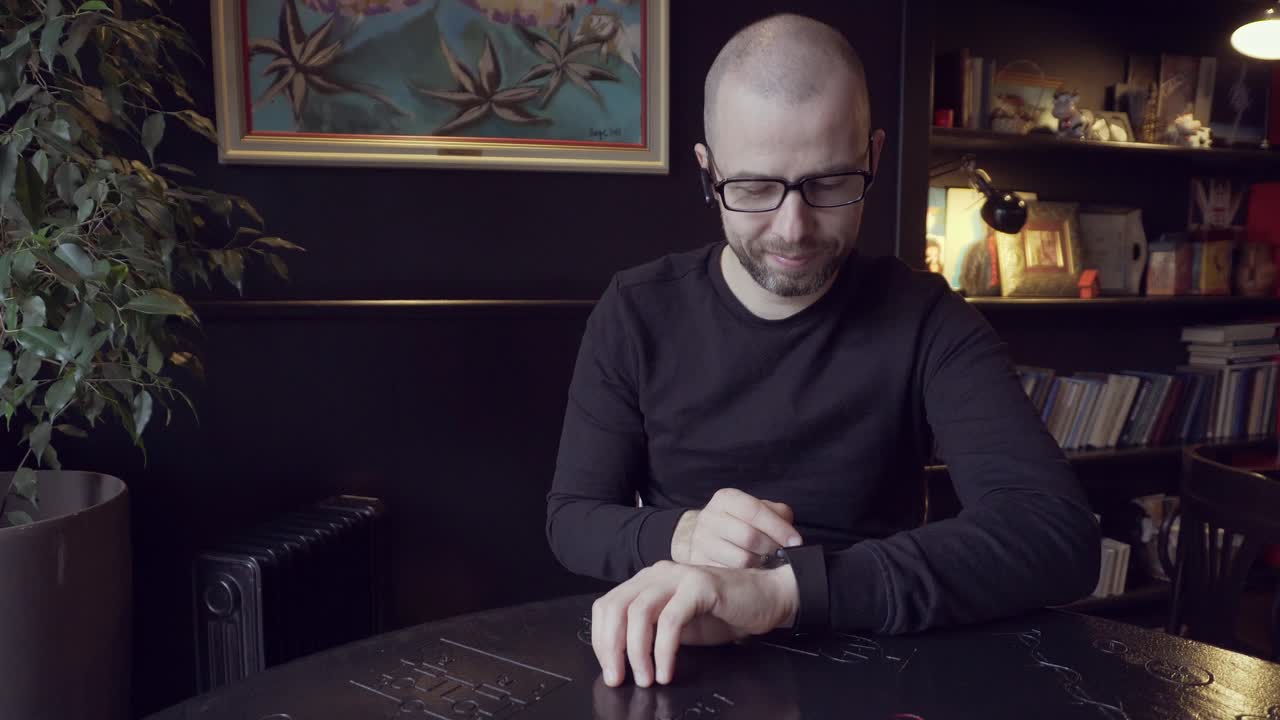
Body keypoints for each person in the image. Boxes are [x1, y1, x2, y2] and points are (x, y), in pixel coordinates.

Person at [545, 13, 1099, 691]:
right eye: (752, 188)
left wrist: (786, 594)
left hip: (875, 661)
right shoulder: (636, 310)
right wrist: (681, 536)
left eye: (830, 184)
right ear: (707, 170)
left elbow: (1055, 536)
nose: (793, 227)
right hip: (676, 664)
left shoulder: (930, 321)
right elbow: (572, 518)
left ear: (874, 155)